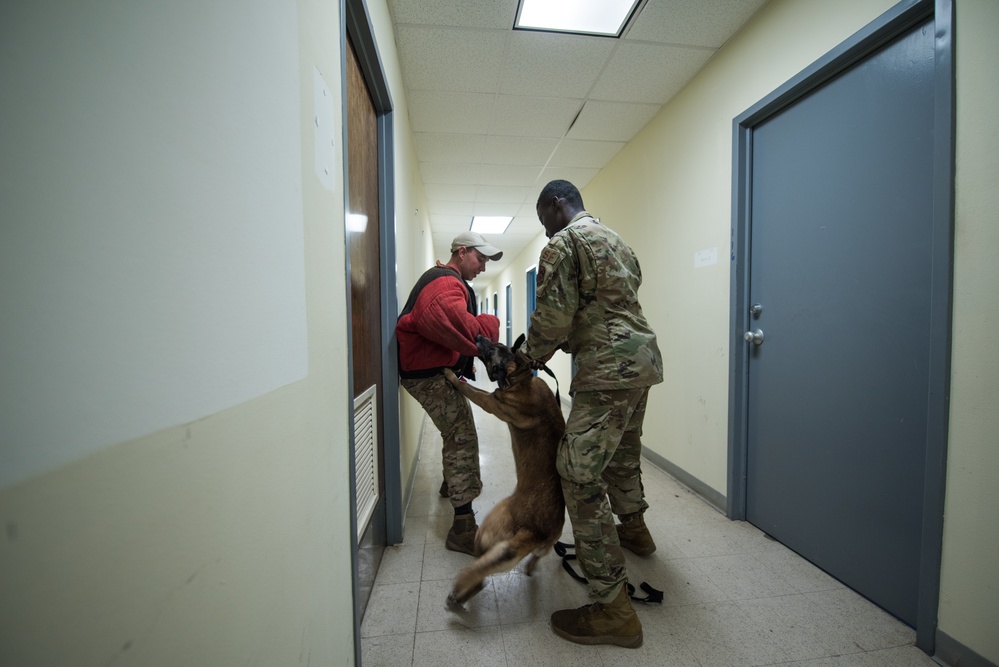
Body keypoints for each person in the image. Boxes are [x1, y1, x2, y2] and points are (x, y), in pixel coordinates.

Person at [522, 180, 663, 648]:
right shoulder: (615, 238)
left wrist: (529, 357)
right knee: (622, 455)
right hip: (642, 361)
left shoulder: (564, 244)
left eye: (545, 219)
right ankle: (636, 533)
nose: (545, 231)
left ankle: (612, 611)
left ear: (557, 205)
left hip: (607, 370)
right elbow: (614, 301)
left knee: (578, 475)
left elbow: (552, 318)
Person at [396, 231, 503, 555]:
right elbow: (460, 327)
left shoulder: (449, 282)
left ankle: (451, 485)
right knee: (461, 436)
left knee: (456, 431)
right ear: (462, 251)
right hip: (426, 375)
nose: (483, 266)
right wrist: (490, 322)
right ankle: (462, 527)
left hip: (430, 370)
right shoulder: (445, 283)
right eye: (480, 258)